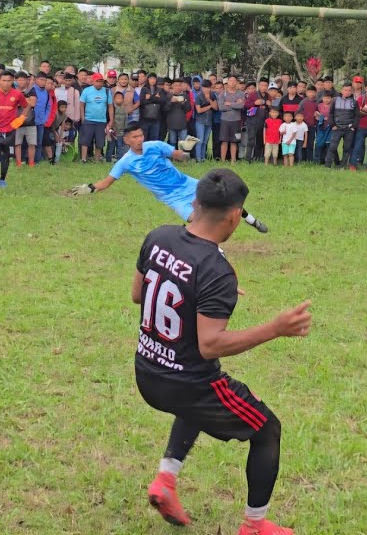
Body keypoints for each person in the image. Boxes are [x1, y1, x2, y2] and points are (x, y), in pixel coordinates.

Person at [130, 169, 309, 535]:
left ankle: (165, 480)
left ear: (195, 203)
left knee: (200, 399)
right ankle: (254, 526)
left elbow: (139, 293)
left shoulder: (158, 237)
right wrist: (275, 329)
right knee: (266, 429)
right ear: (233, 216)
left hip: (147, 372)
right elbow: (209, 344)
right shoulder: (216, 269)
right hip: (186, 383)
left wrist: (201, 292)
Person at [68, 123, 269, 233]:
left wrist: (185, 150)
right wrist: (90, 188)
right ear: (126, 140)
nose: (139, 139)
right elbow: (107, 182)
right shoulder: (125, 162)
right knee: (195, 219)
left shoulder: (155, 145)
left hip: (187, 183)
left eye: (140, 135)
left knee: (226, 195)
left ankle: (252, 220)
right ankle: (212, 250)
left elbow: (180, 157)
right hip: (172, 196)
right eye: (134, 137)